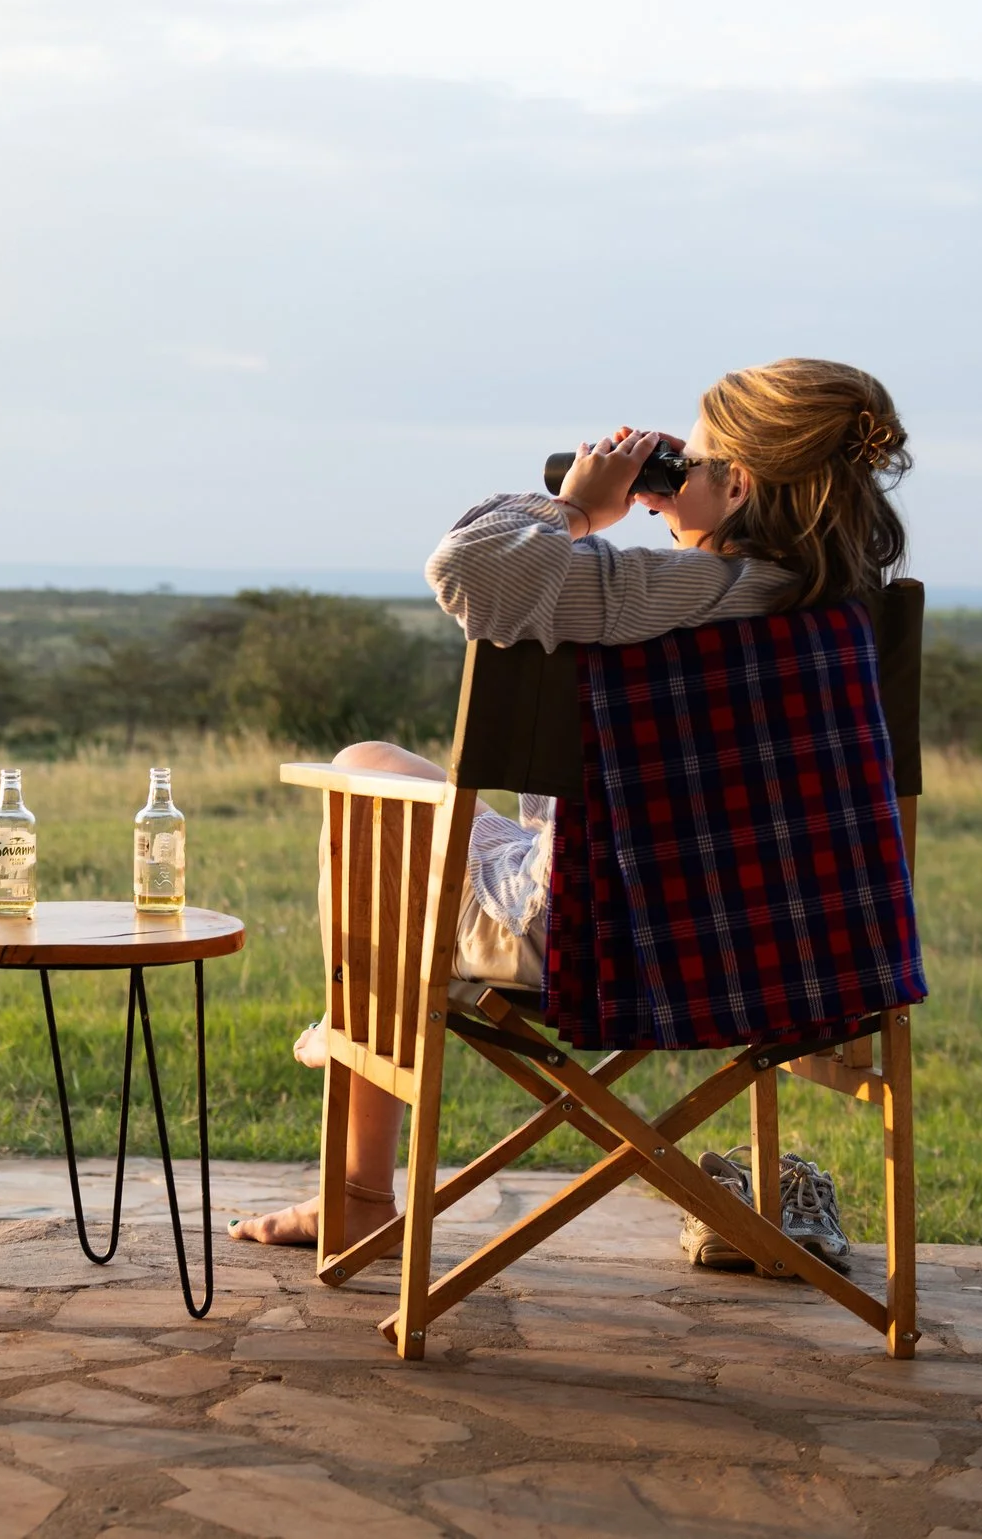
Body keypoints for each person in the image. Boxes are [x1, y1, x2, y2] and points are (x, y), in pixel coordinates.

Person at [229, 356, 912, 1254]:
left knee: (371, 775)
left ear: (738, 483)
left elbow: (467, 568)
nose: (666, 486)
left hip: (600, 940)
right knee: (404, 791)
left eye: (687, 464)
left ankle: (359, 1192)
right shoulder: (854, 613)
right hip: (802, 954)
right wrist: (682, 497)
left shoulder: (652, 594)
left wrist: (582, 508)